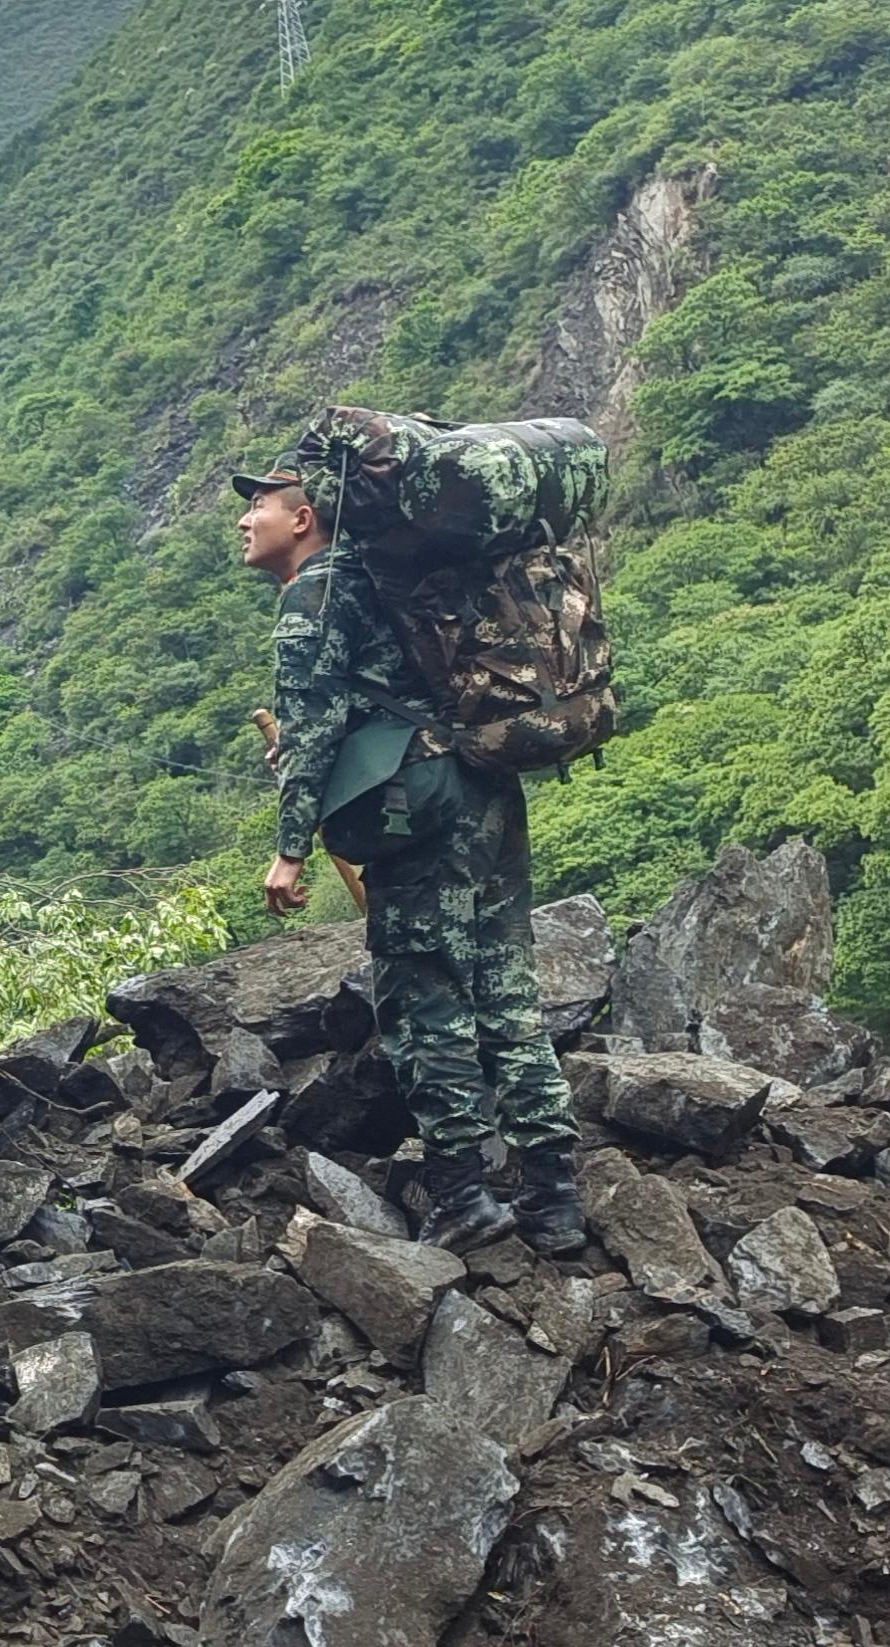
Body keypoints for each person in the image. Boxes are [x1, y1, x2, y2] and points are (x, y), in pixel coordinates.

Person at [240, 451, 585, 1255]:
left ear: (303, 518)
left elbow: (315, 729)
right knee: (504, 984)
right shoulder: (387, 578)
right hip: (486, 781)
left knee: (422, 992)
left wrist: (289, 851)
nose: (243, 521)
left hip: (420, 803)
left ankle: (463, 1191)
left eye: (257, 506)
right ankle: (553, 1196)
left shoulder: (315, 595)